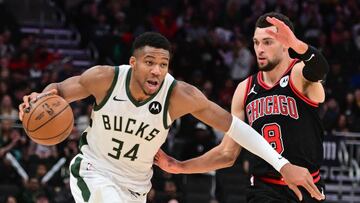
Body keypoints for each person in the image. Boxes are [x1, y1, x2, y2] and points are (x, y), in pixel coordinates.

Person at [18, 32, 324, 203]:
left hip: (137, 186)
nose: (156, 70)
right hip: (94, 170)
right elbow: (58, 89)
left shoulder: (180, 96)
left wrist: (284, 165)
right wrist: (39, 99)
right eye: (149, 62)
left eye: (163, 64)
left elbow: (239, 129)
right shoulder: (104, 79)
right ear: (133, 63)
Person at [155, 12, 329, 203]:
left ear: (286, 43)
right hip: (264, 188)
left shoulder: (299, 74)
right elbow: (227, 153)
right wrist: (178, 166)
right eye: (256, 42)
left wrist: (298, 45)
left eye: (268, 42)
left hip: (307, 186)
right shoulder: (244, 89)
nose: (259, 49)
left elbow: (319, 69)